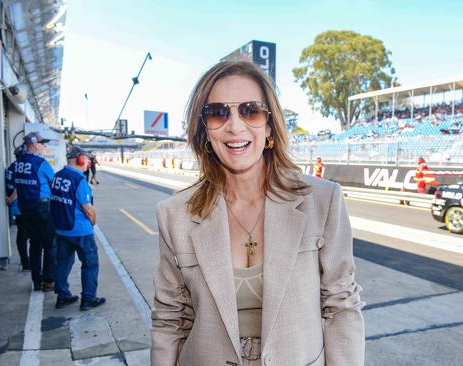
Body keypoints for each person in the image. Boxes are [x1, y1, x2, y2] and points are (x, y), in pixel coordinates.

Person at [151, 61, 364, 366]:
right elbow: (170, 319)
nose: (235, 126)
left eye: (250, 110)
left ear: (269, 125)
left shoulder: (323, 200)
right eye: (218, 112)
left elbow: (341, 306)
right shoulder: (174, 215)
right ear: (204, 131)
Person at [50, 146, 105, 310]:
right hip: (80, 230)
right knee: (90, 264)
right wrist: (93, 222)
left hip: (61, 229)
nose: (88, 162)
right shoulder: (79, 180)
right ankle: (88, 299)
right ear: (81, 159)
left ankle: (62, 296)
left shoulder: (57, 176)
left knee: (63, 263)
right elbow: (88, 208)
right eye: (87, 159)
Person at [11, 132, 56, 291]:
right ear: (35, 144)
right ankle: (48, 280)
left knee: (35, 245)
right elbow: (54, 182)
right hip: (42, 207)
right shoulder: (41, 163)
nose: (44, 146)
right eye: (42, 143)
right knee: (50, 244)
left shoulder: (17, 163)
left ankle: (36, 281)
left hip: (25, 208)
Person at [6, 146, 30, 271]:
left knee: (22, 233)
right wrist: (11, 198)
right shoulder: (21, 167)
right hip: (22, 204)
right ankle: (26, 263)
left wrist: (9, 198)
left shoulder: (11, 166)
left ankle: (25, 261)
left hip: (16, 206)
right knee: (25, 235)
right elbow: (18, 186)